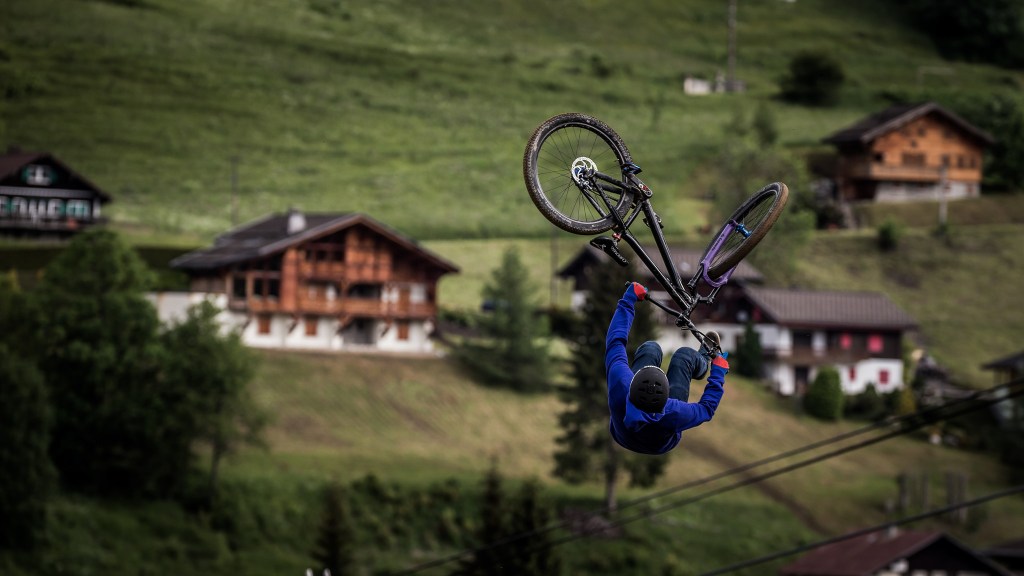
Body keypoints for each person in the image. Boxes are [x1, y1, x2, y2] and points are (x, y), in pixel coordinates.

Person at [605, 282, 730, 455]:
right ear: (667, 400)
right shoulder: (673, 412)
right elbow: (706, 409)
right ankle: (702, 360)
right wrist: (718, 373)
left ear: (632, 382)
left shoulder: (620, 382)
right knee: (683, 357)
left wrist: (628, 300)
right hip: (661, 444)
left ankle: (699, 359)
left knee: (650, 348)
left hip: (622, 435)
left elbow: (615, 342)